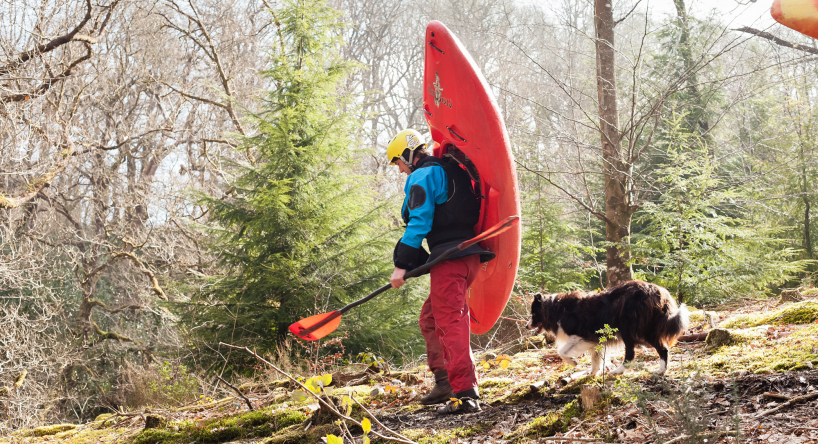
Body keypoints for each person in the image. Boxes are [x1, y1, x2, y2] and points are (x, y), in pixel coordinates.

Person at [386, 129, 495, 414]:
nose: (399, 170)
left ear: (408, 155)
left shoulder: (423, 175)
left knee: (450, 322)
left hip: (451, 259)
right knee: (431, 318)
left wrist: (401, 265)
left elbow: (419, 221)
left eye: (398, 162)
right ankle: (445, 381)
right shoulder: (452, 169)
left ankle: (465, 393)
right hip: (468, 258)